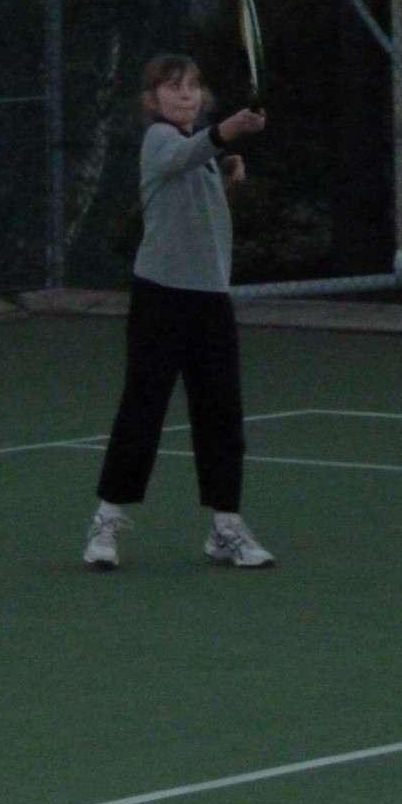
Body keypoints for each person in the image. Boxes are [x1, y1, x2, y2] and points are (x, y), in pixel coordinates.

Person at [82, 52, 275, 570]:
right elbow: (181, 156)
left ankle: (226, 526)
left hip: (211, 301)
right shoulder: (158, 140)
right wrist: (228, 132)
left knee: (221, 415)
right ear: (152, 99)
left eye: (192, 85)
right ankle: (106, 521)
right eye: (172, 86)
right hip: (160, 299)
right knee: (142, 410)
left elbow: (193, 181)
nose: (185, 93)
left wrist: (225, 171)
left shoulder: (203, 153)